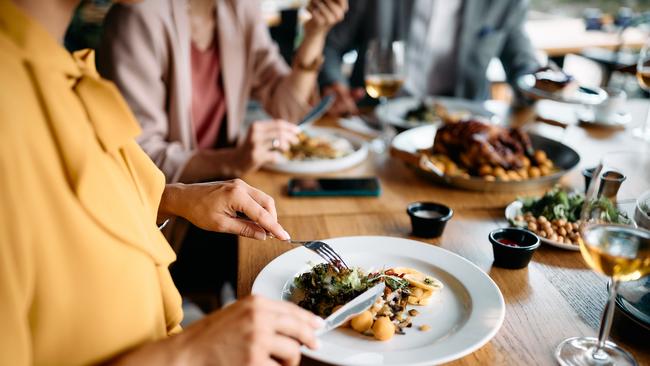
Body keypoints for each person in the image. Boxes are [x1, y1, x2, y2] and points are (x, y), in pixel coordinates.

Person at [0, 0, 321, 364]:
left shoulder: (55, 67)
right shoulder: (12, 108)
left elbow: (63, 205)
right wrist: (193, 352)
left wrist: (173, 199)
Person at [98, 0, 348, 184]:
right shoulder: (138, 16)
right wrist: (232, 161)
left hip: (226, 194)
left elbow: (287, 111)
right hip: (171, 223)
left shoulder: (240, 9)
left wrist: (315, 34)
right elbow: (139, 159)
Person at [320, 0, 541, 116]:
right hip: (375, 121)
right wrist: (335, 85)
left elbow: (522, 62)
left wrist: (543, 82)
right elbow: (329, 45)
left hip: (463, 129)